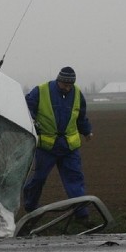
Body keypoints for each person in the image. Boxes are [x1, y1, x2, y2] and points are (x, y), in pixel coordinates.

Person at [22, 66, 94, 224]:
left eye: (70, 85)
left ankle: (82, 215)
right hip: (47, 147)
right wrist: (31, 119)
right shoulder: (40, 91)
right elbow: (27, 108)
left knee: (75, 181)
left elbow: (81, 116)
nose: (67, 88)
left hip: (69, 148)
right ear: (58, 80)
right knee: (38, 179)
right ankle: (31, 208)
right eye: (65, 85)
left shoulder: (77, 94)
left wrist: (87, 131)